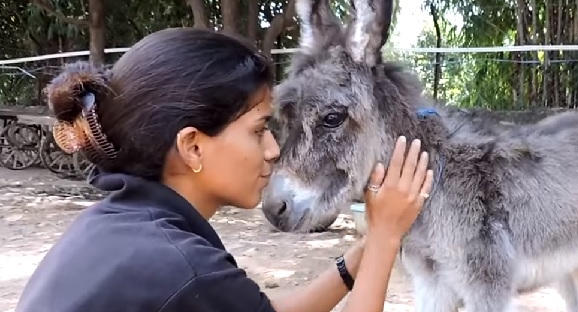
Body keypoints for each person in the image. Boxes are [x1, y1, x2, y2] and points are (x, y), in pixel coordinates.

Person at [16, 27, 434, 312]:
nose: (273, 150)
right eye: (258, 131)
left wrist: (358, 258)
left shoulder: (118, 227)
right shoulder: (182, 267)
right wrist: (384, 238)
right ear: (193, 146)